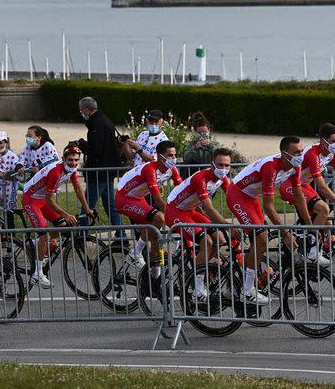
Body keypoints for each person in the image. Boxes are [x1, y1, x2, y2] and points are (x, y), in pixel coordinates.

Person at [226, 137, 309, 302]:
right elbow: (269, 207)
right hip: (238, 195)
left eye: (302, 150)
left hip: (251, 197)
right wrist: (286, 233)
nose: (301, 155)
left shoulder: (295, 166)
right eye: (297, 152)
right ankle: (247, 290)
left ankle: (238, 283)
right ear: (285, 154)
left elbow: (299, 195)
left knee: (259, 241)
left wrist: (310, 224)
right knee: (262, 239)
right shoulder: (271, 167)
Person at [279, 124, 335, 254]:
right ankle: (311, 251)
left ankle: (321, 248)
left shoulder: (332, 154)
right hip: (289, 185)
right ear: (323, 140)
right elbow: (321, 187)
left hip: (303, 185)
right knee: (323, 209)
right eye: (333, 141)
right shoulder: (312, 154)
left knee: (327, 223)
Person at [165, 147, 236, 302]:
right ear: (212, 164)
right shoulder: (200, 178)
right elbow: (209, 209)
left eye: (227, 165)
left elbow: (234, 199)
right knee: (207, 241)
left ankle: (196, 269)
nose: (223, 169)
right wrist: (229, 226)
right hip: (174, 211)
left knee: (219, 240)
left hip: (189, 211)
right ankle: (197, 288)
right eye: (220, 165)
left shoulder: (222, 179)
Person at [21, 145, 94, 288]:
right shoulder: (56, 172)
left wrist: (87, 209)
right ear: (63, 159)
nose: (73, 163)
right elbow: (49, 199)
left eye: (76, 160)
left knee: (64, 226)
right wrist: (65, 214)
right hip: (31, 199)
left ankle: (38, 244)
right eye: (70, 160)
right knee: (43, 231)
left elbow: (78, 188)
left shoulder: (71, 169)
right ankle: (38, 274)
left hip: (42, 199)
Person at [115, 140, 183, 276]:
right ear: (160, 156)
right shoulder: (150, 169)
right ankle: (135, 253)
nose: (173, 159)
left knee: (154, 236)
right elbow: (157, 200)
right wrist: (175, 217)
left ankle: (155, 275)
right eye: (170, 155)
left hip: (138, 198)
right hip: (124, 198)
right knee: (159, 218)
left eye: (174, 155)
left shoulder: (171, 169)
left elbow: (182, 188)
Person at [77, 96, 121, 230]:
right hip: (107, 170)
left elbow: (95, 150)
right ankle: (121, 235)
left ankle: (81, 235)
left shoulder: (96, 124)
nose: (81, 114)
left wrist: (81, 144)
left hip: (98, 172)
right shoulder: (105, 121)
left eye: (81, 111)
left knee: (88, 205)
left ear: (86, 110)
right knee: (110, 205)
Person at [0, 131, 22, 227]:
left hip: (9, 191)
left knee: (9, 215)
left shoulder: (13, 157)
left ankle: (11, 237)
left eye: (0, 143)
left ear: (5, 143)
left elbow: (17, 176)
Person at [182, 112, 220, 176]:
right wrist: (195, 148)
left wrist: (210, 145)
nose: (202, 135)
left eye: (204, 132)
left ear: (209, 130)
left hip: (210, 174)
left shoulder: (215, 144)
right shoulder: (191, 144)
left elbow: (219, 156)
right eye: (200, 132)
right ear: (196, 132)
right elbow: (185, 159)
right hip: (195, 175)